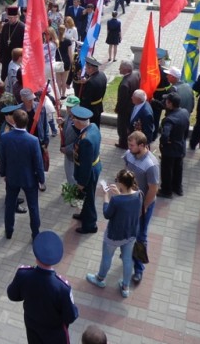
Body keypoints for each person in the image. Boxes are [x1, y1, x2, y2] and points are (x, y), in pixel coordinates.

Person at [7, 231, 78, 344]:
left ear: (36, 255)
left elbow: (12, 295)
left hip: (32, 327)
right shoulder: (62, 288)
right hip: (55, 335)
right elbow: (70, 317)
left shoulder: (23, 274)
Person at [85, 169, 142, 298]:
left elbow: (107, 214)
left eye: (117, 181)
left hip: (114, 235)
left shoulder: (117, 200)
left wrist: (106, 197)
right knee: (128, 260)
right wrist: (119, 194)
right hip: (131, 233)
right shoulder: (139, 194)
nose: (115, 183)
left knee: (107, 257)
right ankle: (125, 287)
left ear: (122, 184)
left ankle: (100, 279)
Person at [0, 109, 45, 240]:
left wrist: (3, 173)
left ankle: (9, 231)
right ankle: (35, 234)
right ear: (27, 122)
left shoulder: (5, 137)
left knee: (9, 205)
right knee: (33, 207)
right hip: (29, 179)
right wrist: (41, 180)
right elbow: (38, 162)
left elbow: (2, 158)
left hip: (12, 177)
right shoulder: (33, 140)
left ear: (14, 120)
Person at [123, 131, 159, 284]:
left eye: (132, 145)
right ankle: (127, 255)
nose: (129, 148)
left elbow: (153, 189)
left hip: (143, 204)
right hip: (129, 200)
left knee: (140, 235)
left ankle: (139, 269)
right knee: (129, 230)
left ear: (142, 146)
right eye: (129, 144)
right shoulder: (129, 154)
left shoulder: (151, 165)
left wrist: (143, 208)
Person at [69, 106, 102, 235]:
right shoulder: (92, 127)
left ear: (79, 122)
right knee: (87, 198)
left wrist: (82, 182)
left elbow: (86, 165)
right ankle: (84, 215)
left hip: (88, 172)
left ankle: (90, 225)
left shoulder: (86, 141)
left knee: (89, 199)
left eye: (73, 120)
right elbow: (80, 134)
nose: (72, 121)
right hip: (94, 166)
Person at [157, 93, 190, 199]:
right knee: (178, 168)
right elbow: (186, 129)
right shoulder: (185, 112)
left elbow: (165, 135)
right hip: (181, 146)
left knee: (167, 170)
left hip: (170, 150)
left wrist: (164, 143)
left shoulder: (169, 119)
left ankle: (166, 191)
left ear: (170, 104)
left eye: (166, 101)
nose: (165, 103)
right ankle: (177, 188)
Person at [114, 62, 140, 150]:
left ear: (126, 70)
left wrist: (117, 109)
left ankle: (123, 143)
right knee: (129, 125)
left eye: (120, 68)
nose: (119, 69)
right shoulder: (136, 74)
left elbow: (122, 100)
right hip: (133, 106)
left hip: (125, 110)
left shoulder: (124, 84)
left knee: (122, 127)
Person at [78, 57, 107, 127]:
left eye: (86, 68)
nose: (85, 69)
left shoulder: (90, 82)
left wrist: (81, 111)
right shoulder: (102, 75)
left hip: (90, 110)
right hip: (98, 106)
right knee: (96, 126)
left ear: (90, 68)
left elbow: (86, 100)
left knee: (90, 128)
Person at [0, 6, 25, 81]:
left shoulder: (22, 27)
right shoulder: (6, 26)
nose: (10, 19)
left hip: (17, 57)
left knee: (15, 78)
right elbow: (1, 42)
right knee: (4, 76)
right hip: (6, 56)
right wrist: (0, 55)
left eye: (12, 17)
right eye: (9, 17)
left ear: (17, 16)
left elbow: (24, 44)